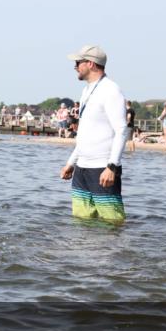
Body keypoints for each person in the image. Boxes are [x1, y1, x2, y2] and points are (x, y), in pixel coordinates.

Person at [59, 45, 127, 223]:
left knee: (112, 222)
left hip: (102, 168)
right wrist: (71, 162)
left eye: (78, 62)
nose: (75, 67)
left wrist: (112, 167)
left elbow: (121, 130)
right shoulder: (86, 90)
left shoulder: (111, 90)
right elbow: (86, 133)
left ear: (90, 64)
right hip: (81, 168)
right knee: (81, 222)